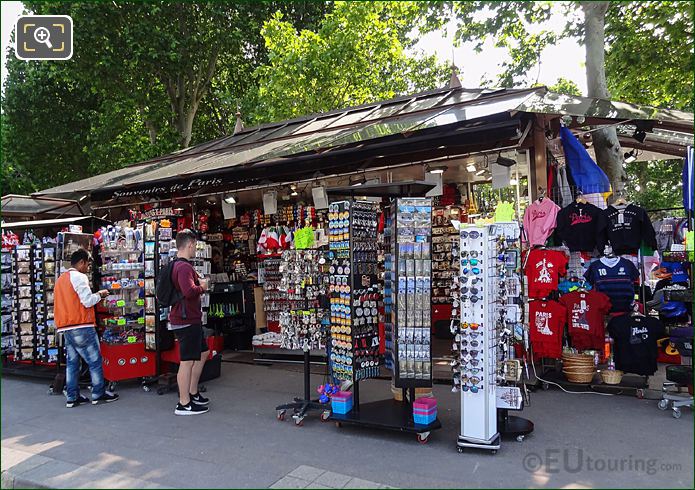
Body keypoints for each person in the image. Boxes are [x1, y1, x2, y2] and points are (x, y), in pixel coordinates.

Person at [54, 248, 119, 408]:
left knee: (72, 363)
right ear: (81, 262)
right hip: (81, 325)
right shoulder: (79, 277)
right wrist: (101, 294)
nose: (88, 268)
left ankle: (72, 396)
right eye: (87, 264)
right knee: (95, 360)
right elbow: (87, 301)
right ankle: (98, 393)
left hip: (66, 327)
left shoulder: (61, 279)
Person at [169, 229, 210, 415]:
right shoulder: (183, 267)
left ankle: (192, 393)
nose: (196, 249)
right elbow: (189, 291)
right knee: (187, 361)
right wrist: (202, 287)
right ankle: (183, 403)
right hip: (186, 319)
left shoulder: (178, 265)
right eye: (195, 246)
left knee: (203, 352)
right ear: (190, 245)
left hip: (188, 318)